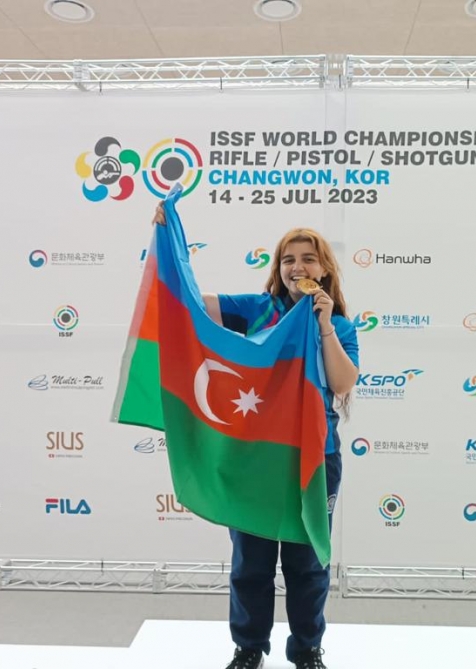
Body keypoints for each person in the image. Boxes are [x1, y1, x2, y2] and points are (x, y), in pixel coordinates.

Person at [152, 204, 360, 669]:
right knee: (252, 563)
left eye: (308, 259)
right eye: (288, 259)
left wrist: (324, 325)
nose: (297, 267)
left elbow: (343, 383)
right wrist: (171, 242)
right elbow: (191, 303)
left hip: (313, 458)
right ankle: (249, 649)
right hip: (254, 458)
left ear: (324, 270)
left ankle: (307, 650)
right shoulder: (256, 308)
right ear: (278, 268)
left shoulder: (340, 325)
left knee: (308, 564)